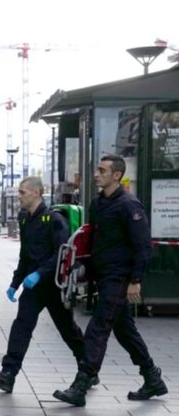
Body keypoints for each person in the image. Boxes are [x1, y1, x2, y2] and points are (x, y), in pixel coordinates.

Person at [53, 156, 168, 407]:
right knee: (124, 330)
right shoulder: (98, 203)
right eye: (97, 169)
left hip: (119, 276)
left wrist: (135, 279)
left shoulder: (129, 205)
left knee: (98, 327)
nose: (97, 174)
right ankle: (152, 378)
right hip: (103, 276)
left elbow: (142, 246)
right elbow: (93, 239)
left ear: (117, 175)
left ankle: (82, 384)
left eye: (102, 170)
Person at [0, 176, 90, 395]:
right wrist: (15, 283)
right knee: (21, 326)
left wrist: (39, 273)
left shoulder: (55, 220)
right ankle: (7, 374)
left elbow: (61, 252)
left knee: (68, 331)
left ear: (36, 193)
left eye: (22, 192)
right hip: (34, 287)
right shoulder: (25, 219)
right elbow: (25, 255)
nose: (19, 196)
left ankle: (88, 370)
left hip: (54, 285)